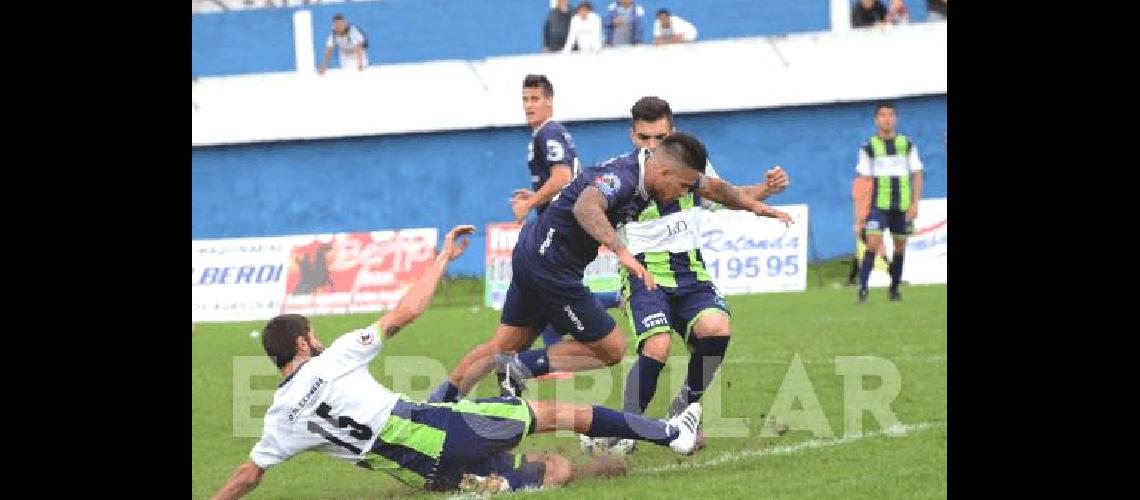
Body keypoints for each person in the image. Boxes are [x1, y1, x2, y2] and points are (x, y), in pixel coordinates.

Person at [208, 225, 704, 498]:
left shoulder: (278, 422)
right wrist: (444, 258)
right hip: (438, 428)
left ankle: (487, 484)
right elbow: (406, 312)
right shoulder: (330, 361)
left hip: (418, 471)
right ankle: (670, 434)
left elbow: (247, 477)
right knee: (556, 416)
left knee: (551, 469)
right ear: (300, 345)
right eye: (311, 337)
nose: (317, 341)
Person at [426, 132, 792, 407]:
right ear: (663, 171)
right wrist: (623, 254)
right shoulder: (624, 177)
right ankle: (519, 367)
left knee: (503, 344)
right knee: (612, 348)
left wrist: (760, 207)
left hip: (530, 252)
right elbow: (586, 207)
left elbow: (714, 188)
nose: (683, 195)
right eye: (680, 187)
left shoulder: (661, 170)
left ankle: (438, 404)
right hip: (552, 269)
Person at [602, 97, 790, 453]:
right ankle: (627, 427)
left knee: (718, 327)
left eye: (660, 137)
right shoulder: (624, 178)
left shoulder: (692, 169)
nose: (653, 146)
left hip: (690, 274)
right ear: (632, 136)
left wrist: (764, 192)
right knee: (657, 346)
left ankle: (685, 404)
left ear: (672, 134)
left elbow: (726, 195)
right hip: (645, 277)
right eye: (645, 138)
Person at [509, 74, 621, 352]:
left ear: (550, 101)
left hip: (561, 227)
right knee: (546, 289)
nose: (528, 105)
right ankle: (549, 344)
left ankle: (539, 357)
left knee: (550, 284)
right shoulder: (547, 133)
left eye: (535, 99)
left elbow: (562, 176)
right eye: (525, 99)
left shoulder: (548, 132)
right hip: (561, 223)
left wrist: (531, 202)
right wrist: (535, 194)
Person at [853, 102, 924, 303]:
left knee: (900, 248)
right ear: (876, 120)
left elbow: (917, 173)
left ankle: (894, 289)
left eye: (890, 115)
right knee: (873, 244)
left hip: (901, 206)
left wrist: (915, 203)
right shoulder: (868, 147)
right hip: (878, 206)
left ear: (896, 119)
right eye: (882, 115)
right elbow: (863, 182)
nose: (887, 119)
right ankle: (863, 289)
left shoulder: (907, 144)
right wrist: (859, 216)